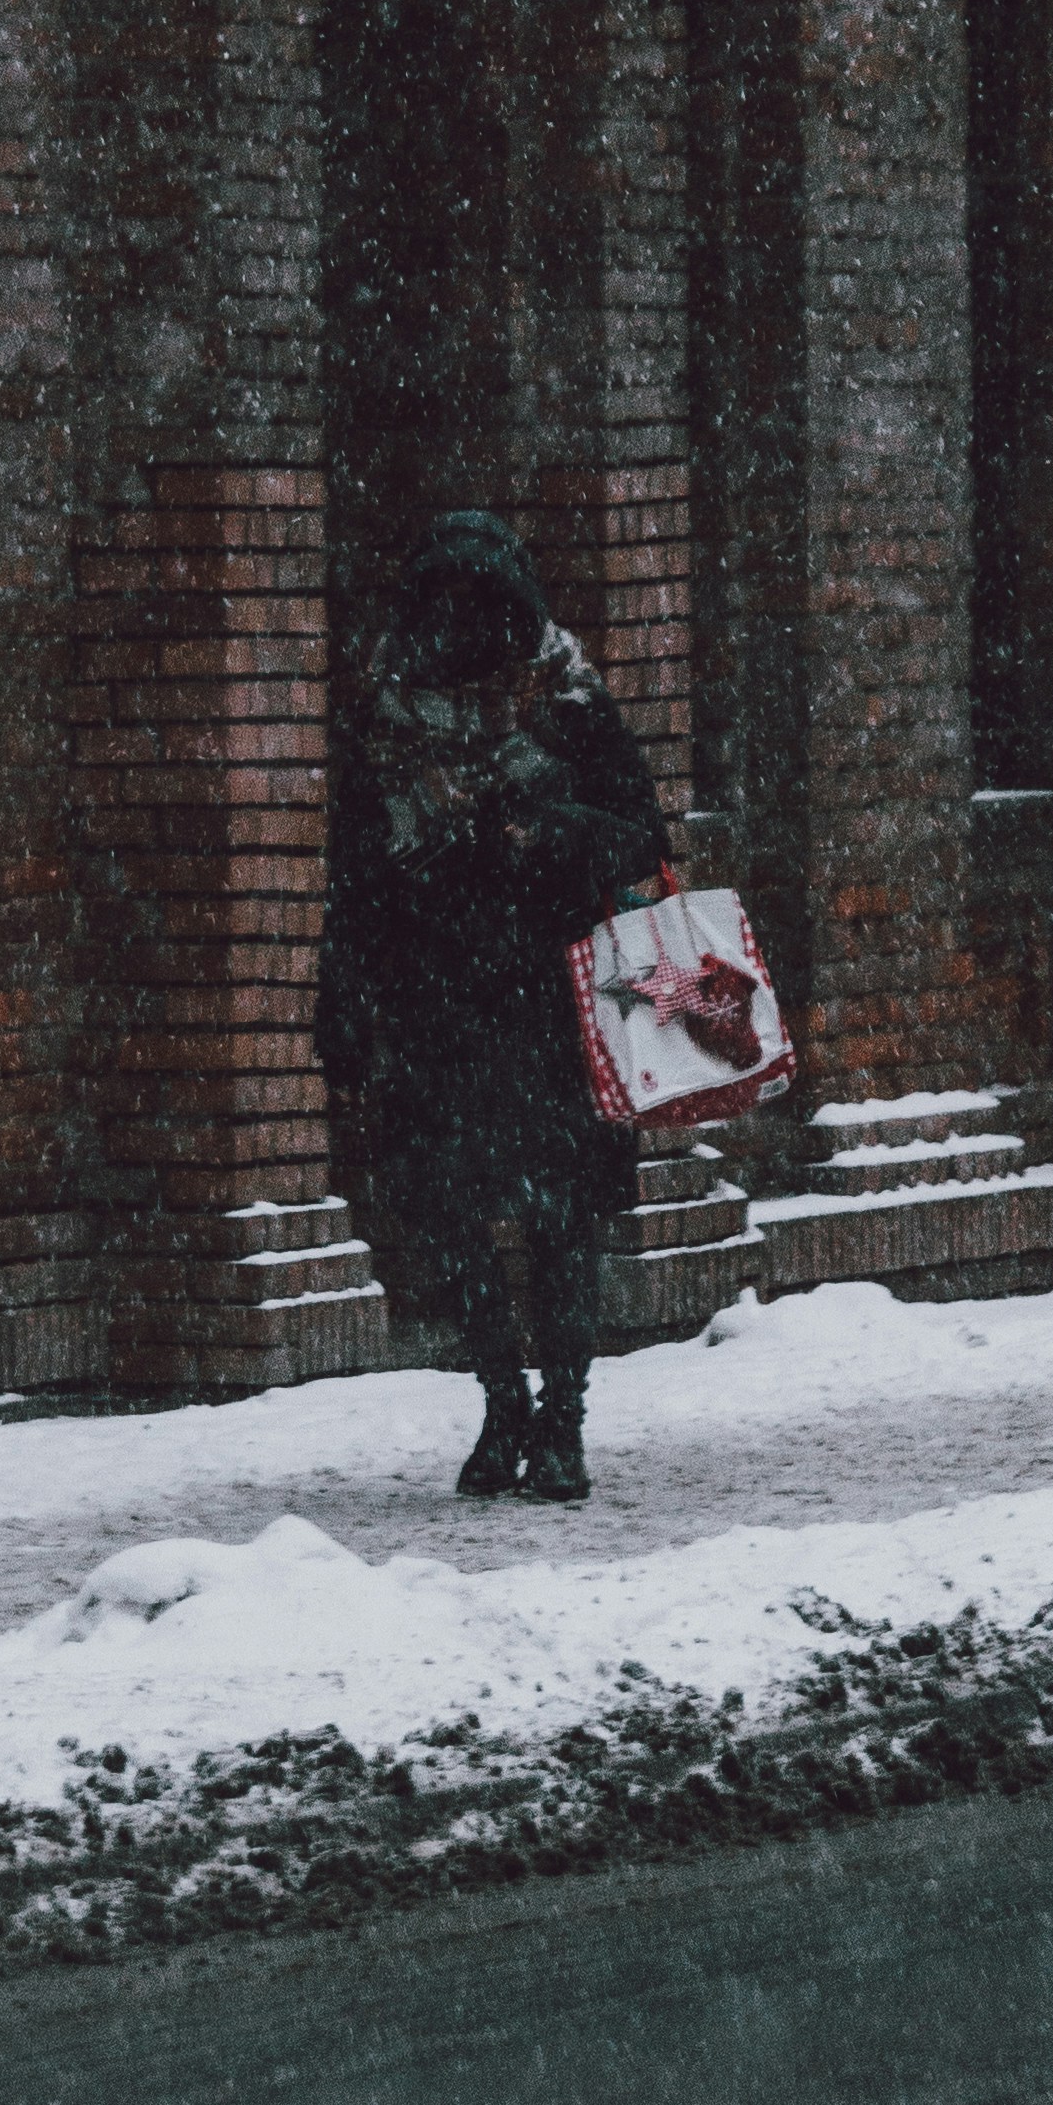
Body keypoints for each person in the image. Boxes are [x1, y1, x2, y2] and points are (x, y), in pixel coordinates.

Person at [315, 506, 666, 1507]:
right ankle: (500, 1400)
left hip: (551, 1004)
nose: (463, 625)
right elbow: (354, 870)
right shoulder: (385, 715)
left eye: (482, 603)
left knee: (557, 1222)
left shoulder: (564, 698)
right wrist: (339, 990)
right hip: (433, 1001)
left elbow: (637, 833)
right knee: (449, 1215)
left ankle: (561, 1418)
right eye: (446, 603)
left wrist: (546, 826)